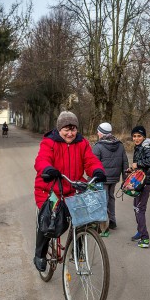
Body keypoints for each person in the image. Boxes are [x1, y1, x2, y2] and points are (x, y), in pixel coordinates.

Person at [33, 111, 106, 271]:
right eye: (66, 129)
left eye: (73, 129)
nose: (70, 133)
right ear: (59, 129)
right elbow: (41, 159)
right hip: (50, 188)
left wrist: (97, 170)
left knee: (83, 216)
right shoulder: (49, 142)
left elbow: (90, 160)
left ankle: (78, 245)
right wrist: (48, 169)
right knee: (49, 221)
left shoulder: (82, 143)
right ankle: (40, 253)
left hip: (73, 187)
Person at [92, 122, 129, 237]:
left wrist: (91, 180)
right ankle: (112, 221)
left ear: (102, 133)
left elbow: (93, 164)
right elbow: (125, 162)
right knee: (111, 198)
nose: (97, 133)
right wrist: (125, 179)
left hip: (102, 178)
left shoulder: (98, 146)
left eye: (98, 131)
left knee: (103, 200)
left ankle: (104, 227)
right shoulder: (119, 144)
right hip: (114, 177)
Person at [128, 125, 150, 248]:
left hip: (146, 182)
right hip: (139, 181)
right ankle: (140, 231)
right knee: (136, 206)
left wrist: (138, 164)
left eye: (139, 136)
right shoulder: (139, 147)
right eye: (134, 136)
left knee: (140, 208)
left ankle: (145, 238)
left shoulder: (146, 147)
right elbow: (141, 166)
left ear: (144, 137)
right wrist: (131, 169)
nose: (136, 138)